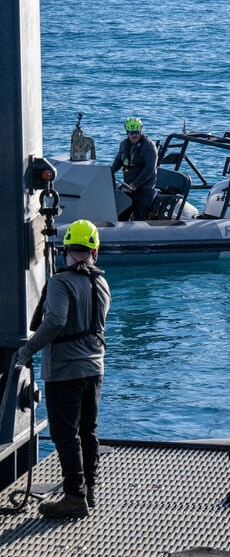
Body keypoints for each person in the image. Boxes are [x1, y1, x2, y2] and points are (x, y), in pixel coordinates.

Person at [17, 219, 111, 518]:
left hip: (66, 369)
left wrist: (28, 349)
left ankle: (73, 497)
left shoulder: (60, 281)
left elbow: (56, 321)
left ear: (66, 249)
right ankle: (89, 491)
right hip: (95, 367)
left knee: (64, 434)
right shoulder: (101, 282)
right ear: (95, 250)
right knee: (88, 431)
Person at [110, 116, 157, 220]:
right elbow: (118, 161)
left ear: (140, 131)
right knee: (121, 213)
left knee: (140, 215)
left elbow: (150, 168)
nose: (135, 135)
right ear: (127, 133)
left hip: (144, 188)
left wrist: (135, 184)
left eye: (137, 132)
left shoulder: (149, 146)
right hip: (128, 187)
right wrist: (108, 173)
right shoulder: (124, 144)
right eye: (132, 133)